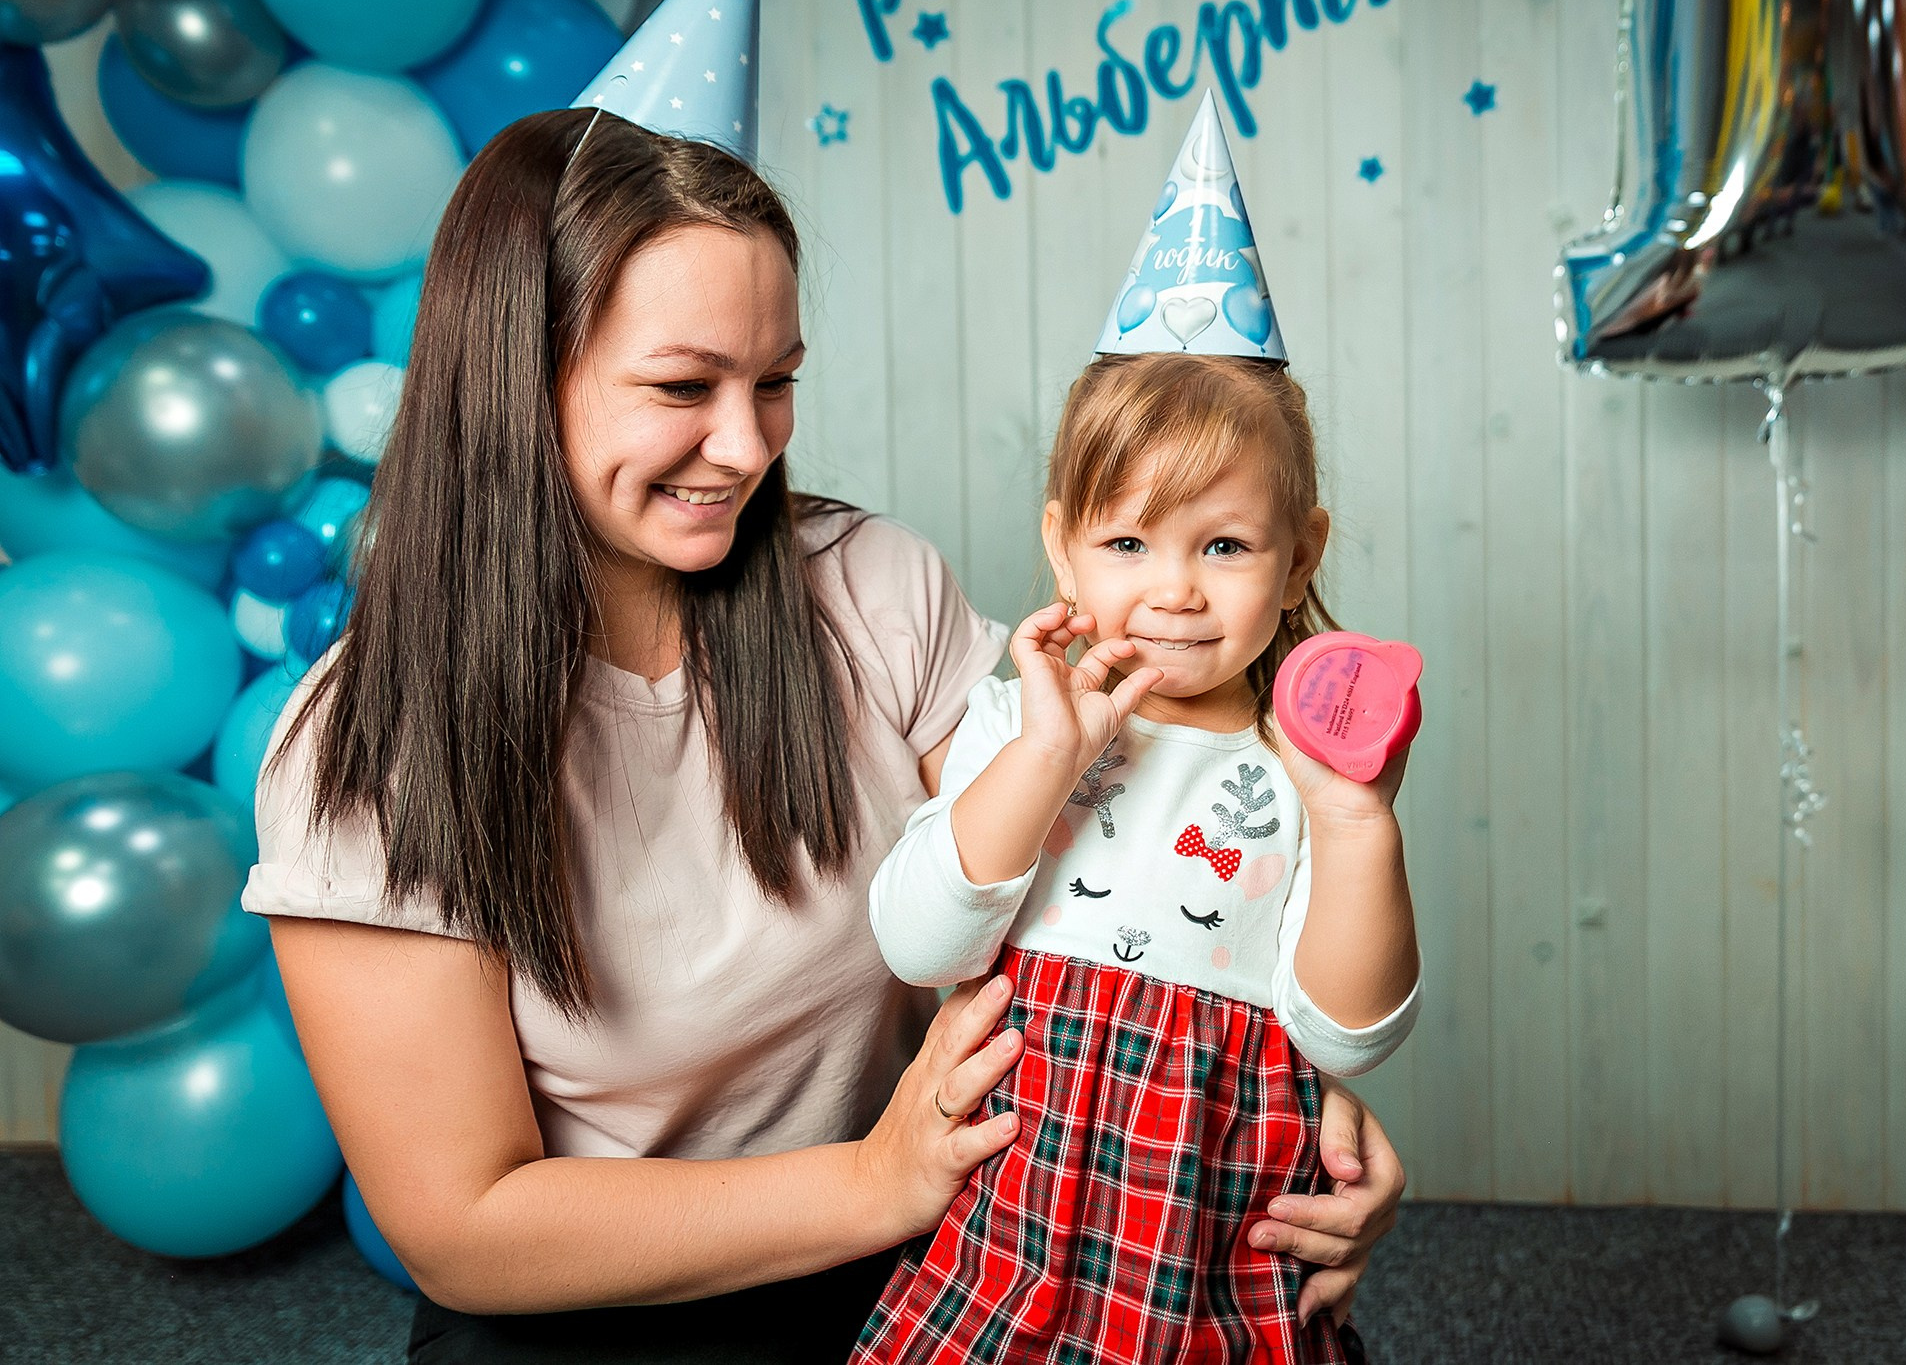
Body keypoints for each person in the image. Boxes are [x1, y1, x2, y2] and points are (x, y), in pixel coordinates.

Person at [243, 98, 1403, 1365]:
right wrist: (870, 1180)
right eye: (683, 385)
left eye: (776, 381)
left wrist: (1283, 1096)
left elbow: (1085, 889)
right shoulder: (365, 744)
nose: (745, 446)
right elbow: (464, 1228)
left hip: (946, 1238)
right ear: (517, 375)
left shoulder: (869, 582)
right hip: (602, 1302)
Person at [854, 96, 1420, 1363]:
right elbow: (917, 935)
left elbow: (1348, 1031)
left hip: (1206, 1213)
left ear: (1297, 558)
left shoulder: (1302, 770)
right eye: (1125, 542)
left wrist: (1356, 820)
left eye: (1222, 545)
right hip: (1011, 1196)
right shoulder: (1020, 715)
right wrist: (1047, 754)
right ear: (1062, 541)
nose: (1171, 589)